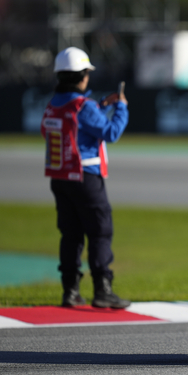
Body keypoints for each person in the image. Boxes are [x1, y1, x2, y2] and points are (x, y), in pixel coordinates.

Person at [41, 47, 130, 309]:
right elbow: (111, 132)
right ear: (82, 76)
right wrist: (121, 107)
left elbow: (70, 123)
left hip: (59, 178)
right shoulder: (84, 107)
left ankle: (70, 291)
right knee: (101, 232)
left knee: (70, 235)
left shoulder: (53, 104)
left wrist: (100, 105)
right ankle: (103, 290)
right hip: (86, 178)